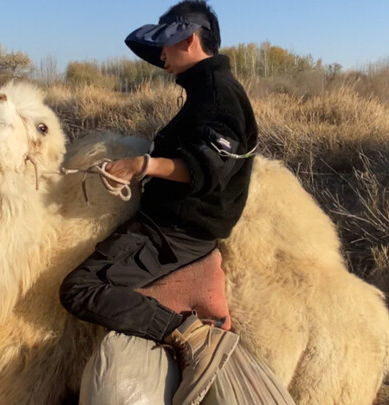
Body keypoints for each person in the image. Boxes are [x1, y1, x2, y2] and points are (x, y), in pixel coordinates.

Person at [59, 1, 258, 404]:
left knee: (77, 288)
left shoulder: (219, 95)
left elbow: (206, 168)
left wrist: (142, 164)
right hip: (175, 224)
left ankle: (187, 334)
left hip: (174, 232)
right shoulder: (205, 89)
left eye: (165, 45)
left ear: (189, 38)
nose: (161, 56)